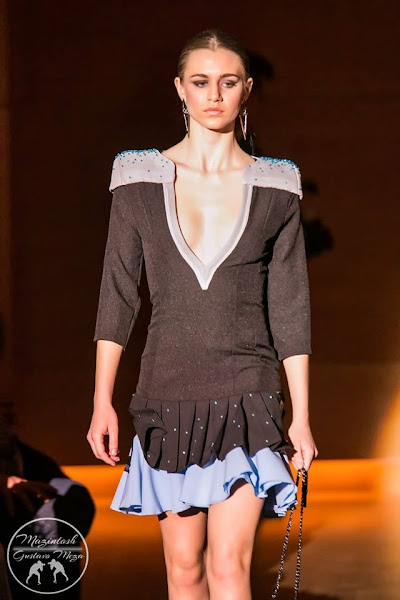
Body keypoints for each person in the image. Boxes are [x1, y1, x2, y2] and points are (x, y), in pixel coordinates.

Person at [87, 28, 318, 600]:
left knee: (229, 566)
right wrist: (101, 401)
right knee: (184, 567)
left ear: (247, 90)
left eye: (228, 82)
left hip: (249, 393)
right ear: (180, 89)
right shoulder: (138, 180)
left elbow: (290, 307)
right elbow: (118, 293)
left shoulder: (276, 186)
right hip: (166, 392)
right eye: (200, 81)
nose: (214, 94)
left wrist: (302, 416)